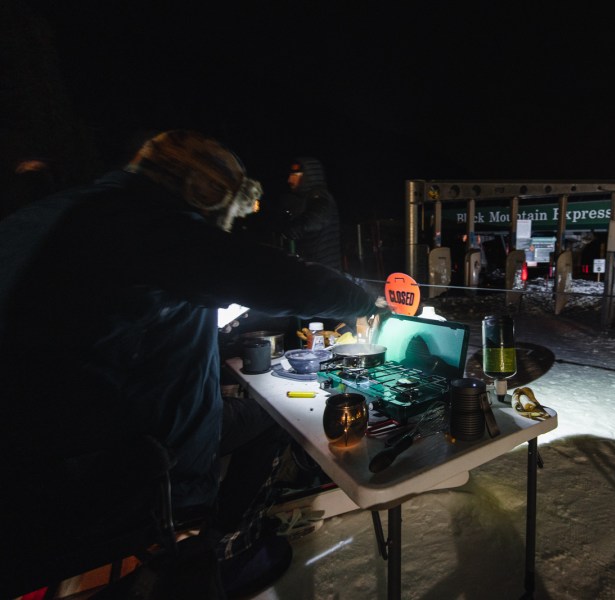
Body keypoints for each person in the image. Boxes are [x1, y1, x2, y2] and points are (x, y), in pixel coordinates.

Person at [0, 130, 379, 597]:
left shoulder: (59, 212)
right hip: (111, 464)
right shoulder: (154, 226)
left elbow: (101, 318)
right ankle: (227, 545)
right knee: (277, 415)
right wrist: (364, 301)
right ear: (205, 193)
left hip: (33, 458)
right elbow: (280, 279)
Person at [277, 156, 343, 270]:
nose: (290, 180)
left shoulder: (320, 196)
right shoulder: (302, 198)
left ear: (308, 176)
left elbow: (318, 217)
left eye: (295, 176)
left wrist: (298, 226)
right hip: (311, 267)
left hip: (324, 269)